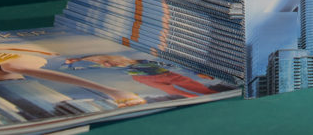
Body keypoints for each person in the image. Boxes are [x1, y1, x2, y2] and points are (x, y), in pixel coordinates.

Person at [0, 41, 145, 107]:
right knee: (14, 91)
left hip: (8, 60)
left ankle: (113, 91)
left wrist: (44, 52)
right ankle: (79, 105)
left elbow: (3, 45)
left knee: (14, 69)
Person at [64, 54, 229, 98]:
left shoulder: (138, 61)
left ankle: (210, 95)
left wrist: (195, 72)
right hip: (146, 78)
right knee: (174, 92)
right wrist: (74, 62)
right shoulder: (102, 65)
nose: (107, 65)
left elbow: (168, 65)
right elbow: (82, 69)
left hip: (164, 74)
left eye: (109, 62)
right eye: (105, 64)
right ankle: (193, 97)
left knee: (193, 85)